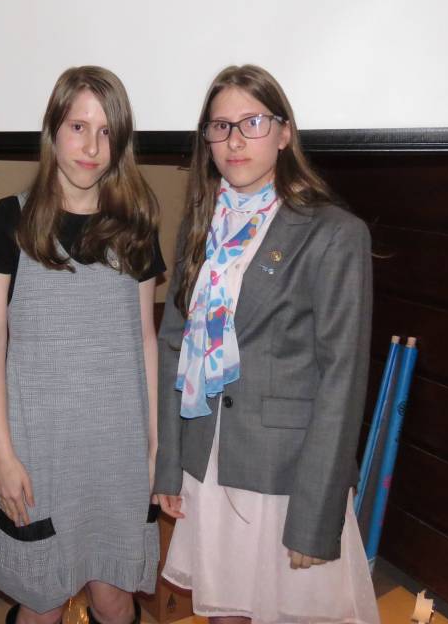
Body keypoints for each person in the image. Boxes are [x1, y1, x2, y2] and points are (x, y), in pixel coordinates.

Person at [153, 65, 380, 624]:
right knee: (223, 612)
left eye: (252, 123)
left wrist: (316, 516)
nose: (235, 140)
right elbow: (173, 347)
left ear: (283, 133)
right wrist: (170, 467)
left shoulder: (333, 233)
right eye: (221, 126)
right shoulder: (202, 227)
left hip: (287, 476)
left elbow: (343, 380)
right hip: (209, 464)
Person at [0, 67, 163, 624]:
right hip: (39, 451)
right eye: (78, 127)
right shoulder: (9, 221)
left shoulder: (135, 227)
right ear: (52, 129)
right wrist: (2, 455)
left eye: (106, 132)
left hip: (118, 450)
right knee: (43, 602)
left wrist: (155, 445)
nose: (92, 147)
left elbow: (145, 340)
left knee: (113, 597)